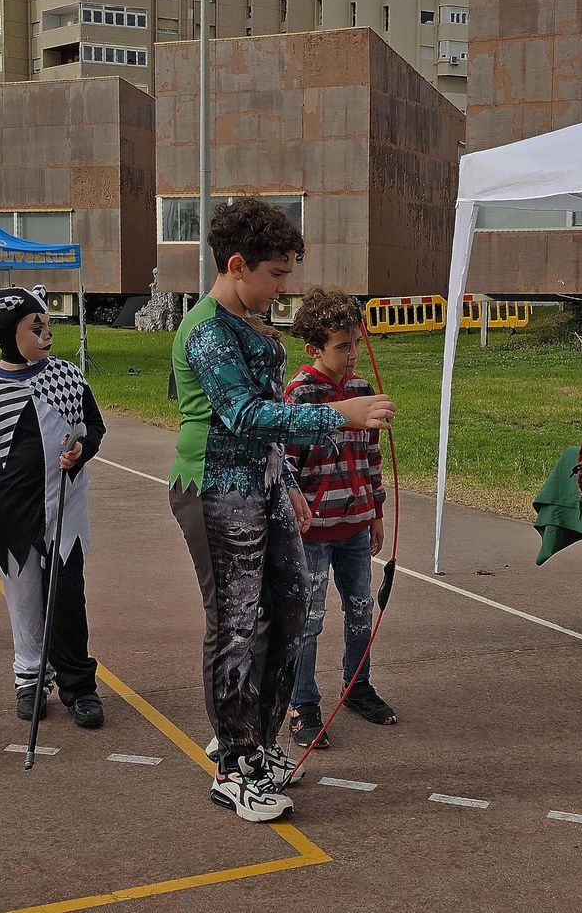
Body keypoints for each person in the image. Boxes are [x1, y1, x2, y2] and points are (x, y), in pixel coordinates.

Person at [169, 197, 394, 823]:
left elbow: (263, 431)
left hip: (261, 483)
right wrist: (337, 416)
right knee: (236, 622)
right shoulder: (209, 331)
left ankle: (261, 742)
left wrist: (287, 480)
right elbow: (243, 415)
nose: (283, 287)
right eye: (276, 274)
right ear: (238, 266)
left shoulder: (251, 325)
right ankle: (235, 765)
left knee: (290, 609)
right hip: (214, 486)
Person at [0, 285, 108, 727]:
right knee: (24, 599)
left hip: (66, 512)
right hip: (15, 516)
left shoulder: (68, 377)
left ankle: (79, 684)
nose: (45, 336)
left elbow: (92, 425)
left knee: (68, 597)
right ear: (6, 334)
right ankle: (30, 678)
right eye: (34, 328)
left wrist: (82, 448)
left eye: (48, 327)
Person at [282, 286, 395, 749]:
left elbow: (370, 458)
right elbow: (283, 460)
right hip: (313, 531)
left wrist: (375, 512)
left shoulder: (362, 389)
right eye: (340, 346)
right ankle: (301, 701)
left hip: (354, 523)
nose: (351, 355)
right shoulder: (299, 394)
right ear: (314, 349)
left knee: (360, 608)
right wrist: (294, 505)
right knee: (308, 617)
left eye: (354, 343)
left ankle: (357, 685)